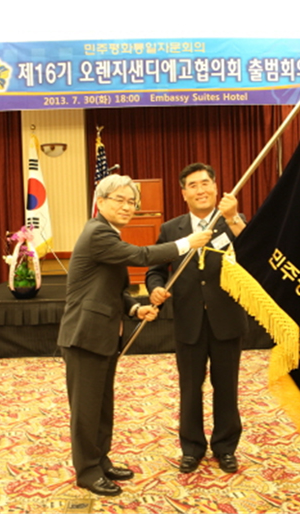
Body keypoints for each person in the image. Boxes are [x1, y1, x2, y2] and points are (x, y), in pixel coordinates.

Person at [57, 174, 211, 497]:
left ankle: (100, 460)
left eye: (132, 202)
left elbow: (112, 290)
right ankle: (87, 471)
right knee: (85, 410)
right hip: (83, 337)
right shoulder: (97, 232)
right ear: (100, 202)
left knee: (102, 406)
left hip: (103, 335)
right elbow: (143, 257)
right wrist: (187, 243)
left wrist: (134, 309)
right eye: (120, 200)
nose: (128, 207)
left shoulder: (108, 234)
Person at [146, 163, 249, 475]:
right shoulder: (170, 229)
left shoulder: (233, 222)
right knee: (190, 389)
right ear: (183, 194)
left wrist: (232, 219)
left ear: (216, 188)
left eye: (206, 183)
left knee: (226, 387)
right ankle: (191, 448)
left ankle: (225, 447)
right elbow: (155, 269)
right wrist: (155, 288)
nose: (201, 190)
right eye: (193, 185)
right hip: (188, 322)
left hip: (227, 320)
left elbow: (253, 255)